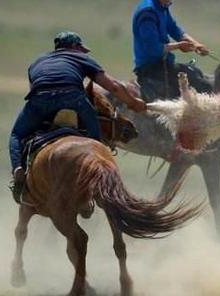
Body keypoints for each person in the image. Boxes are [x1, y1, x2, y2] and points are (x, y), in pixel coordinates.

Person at [9, 31, 146, 203]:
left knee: (17, 135)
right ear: (74, 47)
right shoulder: (81, 58)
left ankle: (19, 171)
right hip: (74, 98)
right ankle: (97, 176)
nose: (82, 52)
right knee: (95, 142)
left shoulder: (37, 62)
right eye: (81, 48)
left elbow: (34, 88)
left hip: (39, 100)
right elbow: (115, 87)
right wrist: (133, 103)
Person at [132, 0, 212, 101]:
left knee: (195, 73)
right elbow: (153, 49)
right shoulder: (148, 12)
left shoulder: (161, 6)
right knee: (200, 84)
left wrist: (196, 44)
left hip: (163, 63)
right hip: (150, 67)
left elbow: (174, 29)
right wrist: (179, 46)